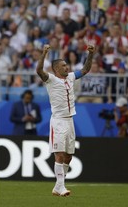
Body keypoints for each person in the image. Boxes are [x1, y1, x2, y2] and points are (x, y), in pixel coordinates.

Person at [36, 44, 95, 196]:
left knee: (68, 156)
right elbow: (39, 71)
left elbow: (85, 70)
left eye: (66, 65)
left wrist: (91, 54)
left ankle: (58, 186)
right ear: (56, 69)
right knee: (60, 154)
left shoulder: (70, 77)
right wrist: (44, 54)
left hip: (70, 121)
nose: (66, 67)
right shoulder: (51, 80)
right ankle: (60, 187)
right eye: (63, 66)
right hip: (58, 121)